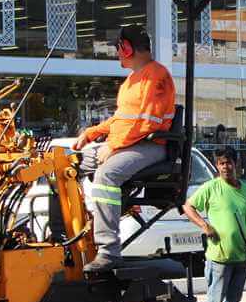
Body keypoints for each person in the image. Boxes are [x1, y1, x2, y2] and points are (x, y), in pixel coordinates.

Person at [74, 25, 175, 272]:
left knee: (106, 175)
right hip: (129, 144)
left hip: (150, 145)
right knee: (68, 163)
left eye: (119, 48)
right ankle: (73, 230)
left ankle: (108, 252)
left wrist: (115, 147)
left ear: (127, 48)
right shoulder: (131, 80)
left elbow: (147, 122)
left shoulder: (156, 76)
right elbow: (122, 119)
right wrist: (92, 133)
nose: (117, 54)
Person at [183, 148, 246, 302]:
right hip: (219, 258)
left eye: (228, 163)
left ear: (236, 164)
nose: (225, 167)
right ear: (217, 166)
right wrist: (204, 226)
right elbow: (188, 207)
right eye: (221, 163)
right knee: (214, 301)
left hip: (241, 257)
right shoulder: (211, 188)